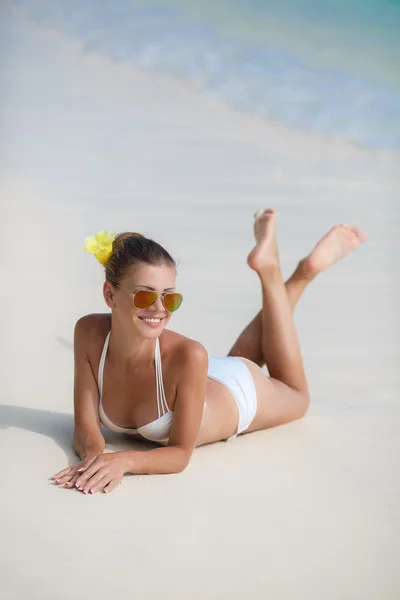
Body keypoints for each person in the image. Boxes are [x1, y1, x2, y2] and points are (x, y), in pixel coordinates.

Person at [52, 209, 367, 494]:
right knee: (237, 359)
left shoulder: (190, 355)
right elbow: (86, 427)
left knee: (298, 396)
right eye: (145, 297)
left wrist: (124, 461)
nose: (160, 309)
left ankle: (297, 273)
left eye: (170, 298)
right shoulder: (89, 334)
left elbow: (180, 455)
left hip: (240, 392)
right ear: (110, 295)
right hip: (202, 378)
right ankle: (276, 269)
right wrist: (94, 460)